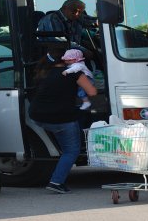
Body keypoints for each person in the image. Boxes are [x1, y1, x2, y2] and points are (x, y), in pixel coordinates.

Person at [28, 47, 97, 194]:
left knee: (70, 129)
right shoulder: (75, 73)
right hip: (61, 118)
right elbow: (92, 92)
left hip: (37, 116)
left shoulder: (43, 74)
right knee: (71, 151)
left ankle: (61, 158)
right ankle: (56, 182)